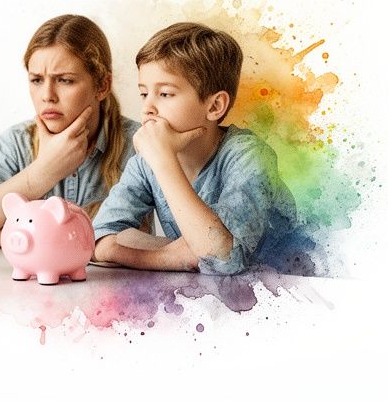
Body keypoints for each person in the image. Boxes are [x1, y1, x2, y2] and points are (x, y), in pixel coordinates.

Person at [92, 22, 299, 275]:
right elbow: (99, 238)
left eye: (165, 94)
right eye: (144, 94)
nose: (147, 108)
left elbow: (224, 259)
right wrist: (169, 257)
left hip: (292, 294)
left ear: (214, 107)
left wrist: (164, 162)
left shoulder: (249, 156)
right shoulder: (147, 162)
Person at [0, 14, 140, 249]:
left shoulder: (138, 145)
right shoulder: (16, 142)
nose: (47, 95)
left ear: (102, 86)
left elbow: (137, 240)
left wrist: (6, 233)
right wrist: (43, 171)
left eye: (65, 80)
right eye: (37, 80)